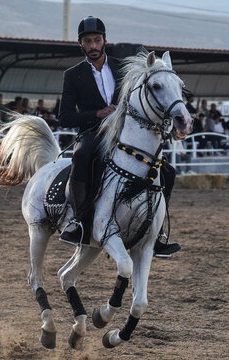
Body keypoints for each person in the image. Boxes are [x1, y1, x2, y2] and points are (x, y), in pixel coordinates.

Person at [58, 16, 180, 257]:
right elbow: (64, 116)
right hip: (94, 132)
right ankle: (80, 223)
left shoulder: (122, 67)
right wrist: (97, 113)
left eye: (96, 40)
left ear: (105, 40)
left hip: (126, 131)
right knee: (82, 156)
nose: (92, 46)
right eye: (87, 41)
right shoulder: (72, 75)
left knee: (168, 171)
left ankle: (157, 234)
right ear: (80, 44)